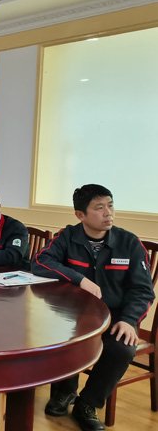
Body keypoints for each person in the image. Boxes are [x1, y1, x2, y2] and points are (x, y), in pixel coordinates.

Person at [32, 184, 154, 431]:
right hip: (75, 313)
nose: (108, 213)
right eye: (99, 208)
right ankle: (65, 391)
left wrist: (129, 320)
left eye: (110, 205)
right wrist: (80, 279)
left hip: (116, 317)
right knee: (59, 335)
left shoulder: (129, 243)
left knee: (122, 349)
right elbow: (40, 262)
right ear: (80, 215)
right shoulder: (68, 236)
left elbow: (143, 290)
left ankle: (87, 404)